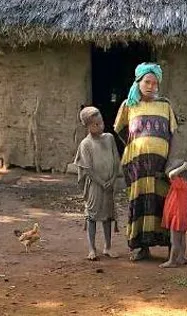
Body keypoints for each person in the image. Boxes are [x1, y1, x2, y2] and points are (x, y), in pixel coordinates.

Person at [114, 63, 178, 261]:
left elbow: (173, 135)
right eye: (147, 82)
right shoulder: (128, 105)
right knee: (140, 202)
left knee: (164, 203)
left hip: (161, 167)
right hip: (138, 168)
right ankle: (143, 248)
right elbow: (120, 129)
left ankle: (171, 249)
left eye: (155, 83)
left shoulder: (165, 105)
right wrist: (137, 148)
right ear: (138, 82)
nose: (151, 86)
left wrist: (169, 161)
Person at [74, 106, 121, 261]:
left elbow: (115, 160)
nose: (100, 126)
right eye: (96, 124)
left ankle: (107, 247)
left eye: (101, 122)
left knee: (108, 216)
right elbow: (87, 170)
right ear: (87, 126)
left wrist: (113, 178)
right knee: (92, 216)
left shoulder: (109, 138)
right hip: (95, 186)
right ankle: (92, 249)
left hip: (109, 184)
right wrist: (101, 182)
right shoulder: (86, 144)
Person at [159, 160, 187, 268]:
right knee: (182, 239)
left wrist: (182, 167)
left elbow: (171, 174)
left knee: (174, 241)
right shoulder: (185, 184)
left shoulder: (178, 182)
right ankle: (182, 256)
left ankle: (172, 261)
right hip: (182, 216)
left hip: (177, 216)